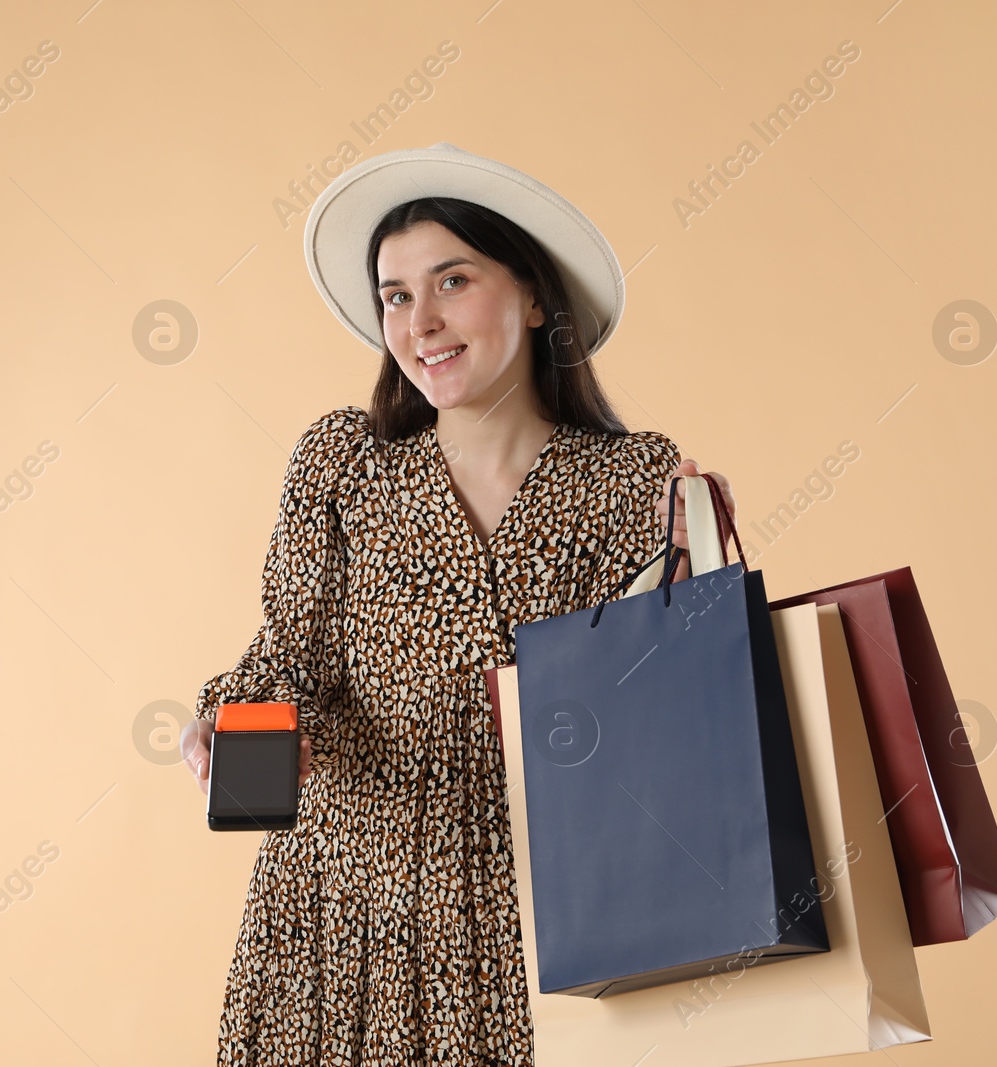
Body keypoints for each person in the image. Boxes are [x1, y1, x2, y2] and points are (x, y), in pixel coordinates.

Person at [180, 143, 737, 1065]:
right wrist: (224, 723)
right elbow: (289, 658)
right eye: (396, 295)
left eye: (452, 281)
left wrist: (697, 577)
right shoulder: (344, 464)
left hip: (551, 924)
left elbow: (672, 721)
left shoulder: (632, 480)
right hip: (339, 924)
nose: (421, 321)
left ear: (531, 296)